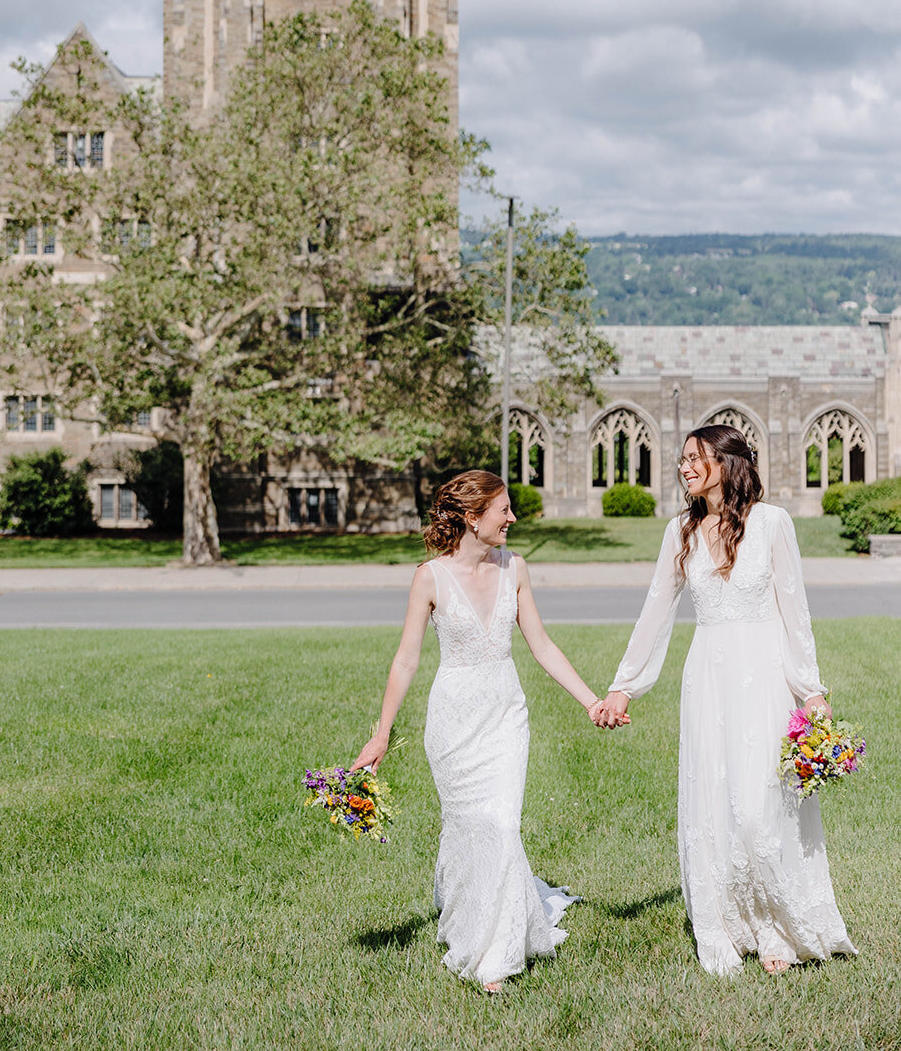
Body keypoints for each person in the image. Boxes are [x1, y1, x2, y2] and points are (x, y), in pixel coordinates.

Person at [595, 423, 856, 977]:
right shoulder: (679, 532)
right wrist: (624, 684)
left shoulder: (772, 524)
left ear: (728, 462)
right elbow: (655, 612)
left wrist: (810, 691)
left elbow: (795, 612)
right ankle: (728, 925)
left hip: (763, 677)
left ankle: (777, 926)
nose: (685, 467)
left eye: (696, 458)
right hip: (707, 680)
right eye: (682, 459)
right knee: (716, 804)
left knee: (763, 807)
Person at [353, 469, 616, 993]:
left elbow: (541, 645)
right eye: (504, 511)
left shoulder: (515, 567)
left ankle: (493, 956)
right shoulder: (429, 576)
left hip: (504, 718)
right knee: (469, 828)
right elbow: (406, 660)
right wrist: (381, 735)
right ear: (473, 518)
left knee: (500, 825)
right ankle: (473, 917)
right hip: (452, 723)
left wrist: (591, 701)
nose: (513, 519)